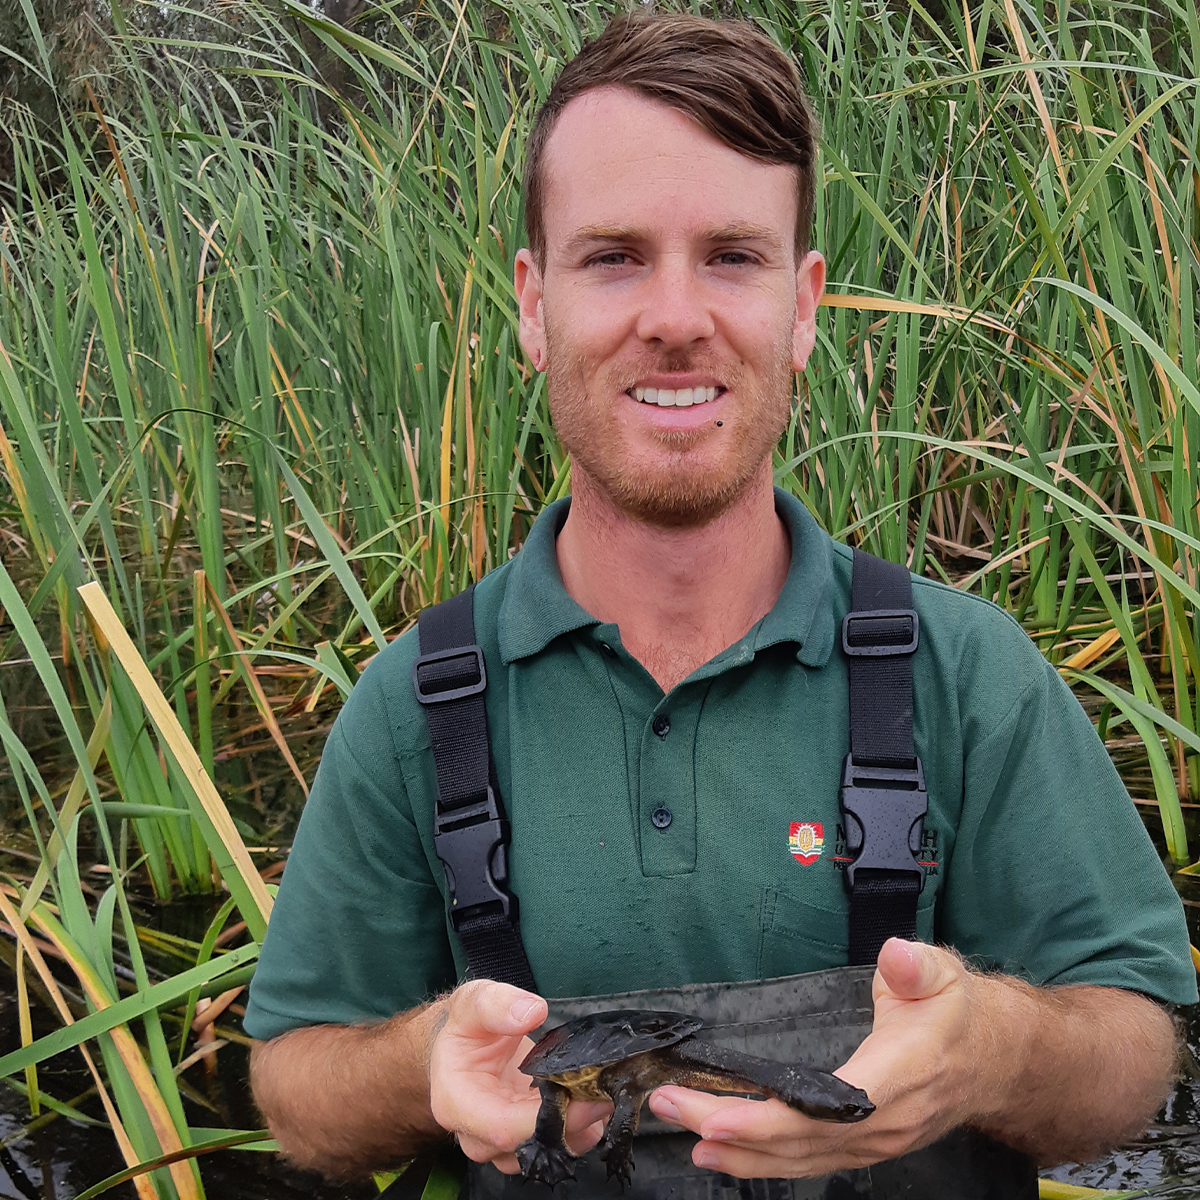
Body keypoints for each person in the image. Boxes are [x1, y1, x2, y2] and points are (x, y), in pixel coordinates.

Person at [244, 12, 1196, 1196]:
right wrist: (420, 1061)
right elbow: (296, 1087)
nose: (678, 317)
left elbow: (1135, 1055)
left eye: (733, 256)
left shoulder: (966, 674)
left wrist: (987, 1050)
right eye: (615, 256)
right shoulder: (418, 702)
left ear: (803, 308)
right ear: (534, 306)